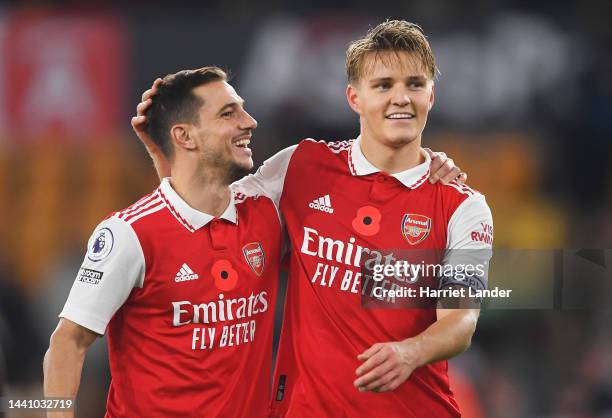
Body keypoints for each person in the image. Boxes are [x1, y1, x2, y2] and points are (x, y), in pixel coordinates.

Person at [133, 21, 483, 418]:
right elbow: (204, 215)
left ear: (431, 95)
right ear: (354, 98)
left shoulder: (462, 205)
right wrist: (164, 156)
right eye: (383, 85)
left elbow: (461, 320)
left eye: (415, 84)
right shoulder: (300, 166)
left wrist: (410, 351)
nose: (401, 98)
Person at [44, 67, 283, 418]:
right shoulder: (129, 234)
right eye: (228, 113)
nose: (250, 122)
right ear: (185, 136)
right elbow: (67, 342)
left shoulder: (267, 208)